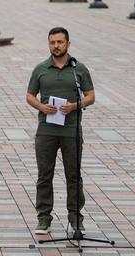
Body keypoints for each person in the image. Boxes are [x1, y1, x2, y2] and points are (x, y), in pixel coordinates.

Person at [26, 27, 95, 235]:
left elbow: (90, 96)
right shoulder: (41, 69)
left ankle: (75, 219)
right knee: (44, 175)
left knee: (73, 175)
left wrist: (75, 105)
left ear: (68, 44)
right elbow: (30, 96)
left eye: (59, 42)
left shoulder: (78, 70)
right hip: (46, 131)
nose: (56, 46)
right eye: (52, 42)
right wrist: (41, 107)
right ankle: (43, 218)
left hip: (71, 131)